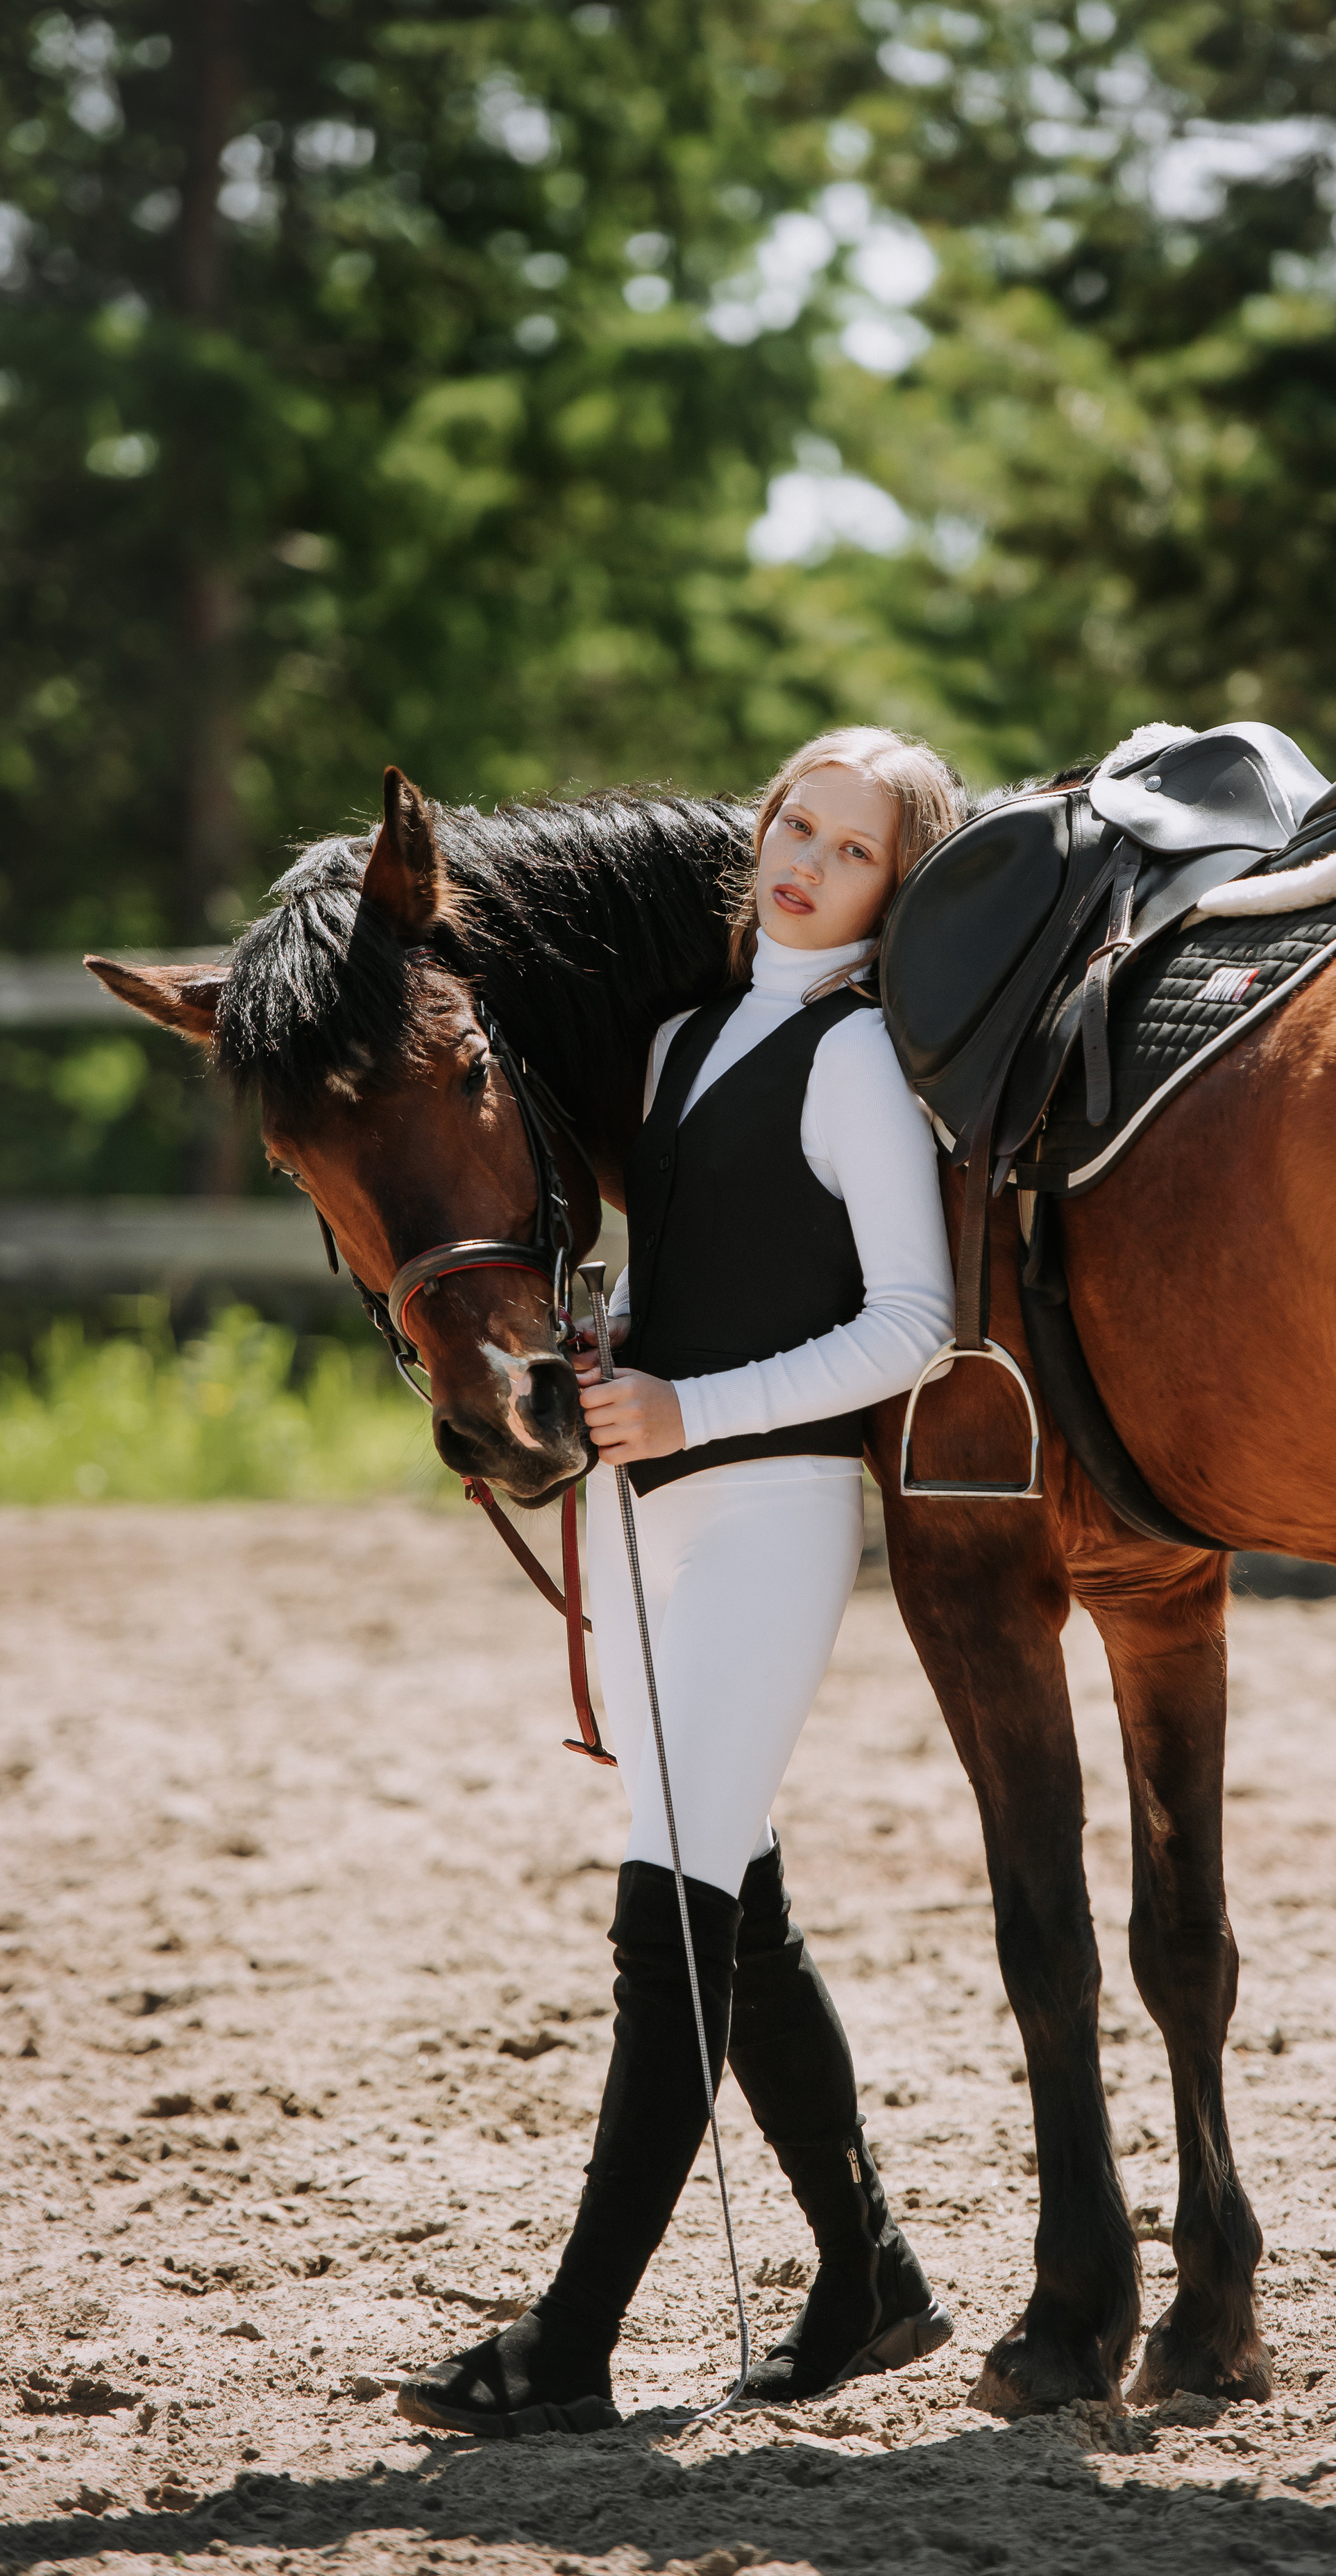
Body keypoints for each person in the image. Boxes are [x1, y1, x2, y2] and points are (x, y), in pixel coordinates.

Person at [398, 727, 964, 2439]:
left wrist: (690, 1408)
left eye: (853, 852)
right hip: (647, 1508)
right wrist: (613, 1348)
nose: (805, 864)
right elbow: (700, 1275)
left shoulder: (857, 1060)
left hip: (771, 1512)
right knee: (737, 1904)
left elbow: (911, 1325)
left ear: (893, 893)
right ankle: (869, 2276)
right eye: (796, 824)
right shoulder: (672, 1041)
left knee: (669, 1926)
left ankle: (568, 2345)